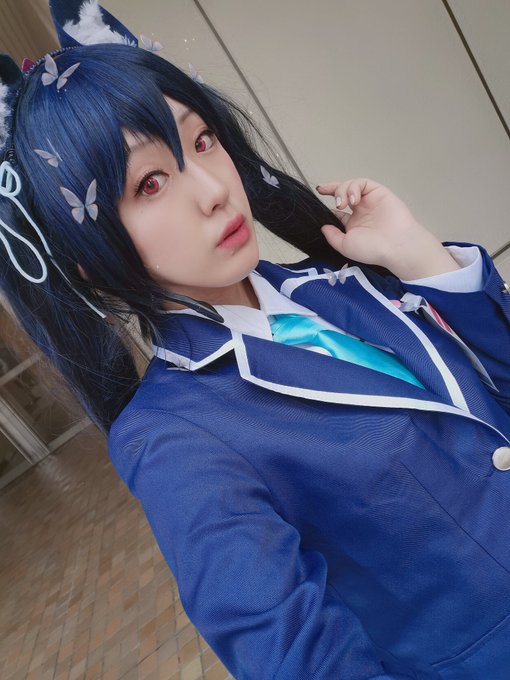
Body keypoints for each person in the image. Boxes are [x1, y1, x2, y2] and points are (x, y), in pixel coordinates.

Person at [1, 2, 510, 678]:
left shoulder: (337, 284)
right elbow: (299, 660)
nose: (214, 189)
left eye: (202, 140)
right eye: (149, 182)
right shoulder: (174, 439)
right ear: (87, 257)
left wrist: (422, 259)